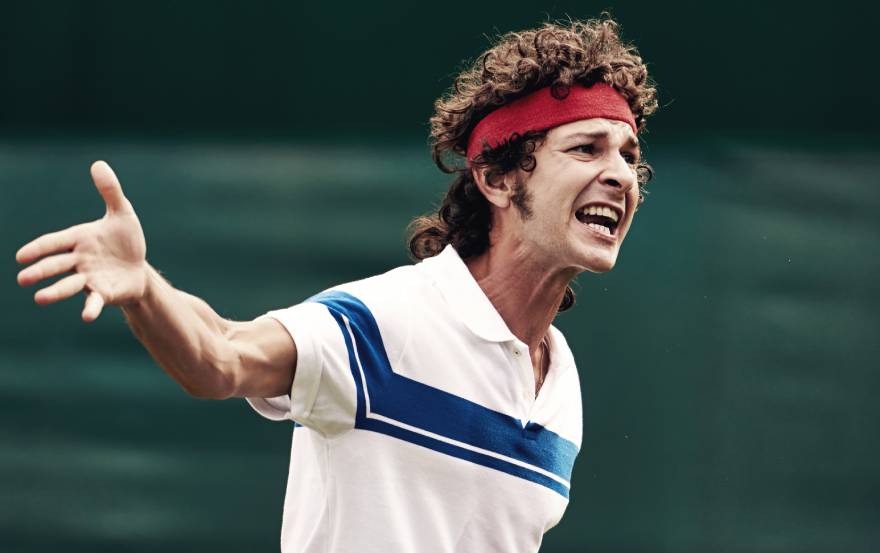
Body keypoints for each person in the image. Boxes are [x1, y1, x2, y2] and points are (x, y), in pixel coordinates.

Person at [15, 17, 657, 553]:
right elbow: (220, 357)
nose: (620, 175)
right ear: (495, 178)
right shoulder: (386, 322)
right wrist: (143, 288)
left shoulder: (560, 383)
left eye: (628, 156)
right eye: (586, 148)